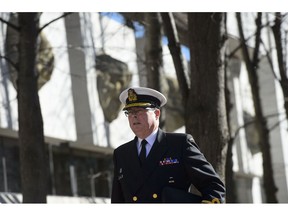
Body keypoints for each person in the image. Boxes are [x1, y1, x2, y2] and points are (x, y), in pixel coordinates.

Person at [111, 86, 225, 203]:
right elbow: (117, 199)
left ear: (156, 113)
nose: (133, 116)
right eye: (129, 112)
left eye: (140, 111)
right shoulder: (121, 154)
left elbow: (213, 186)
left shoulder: (179, 144)